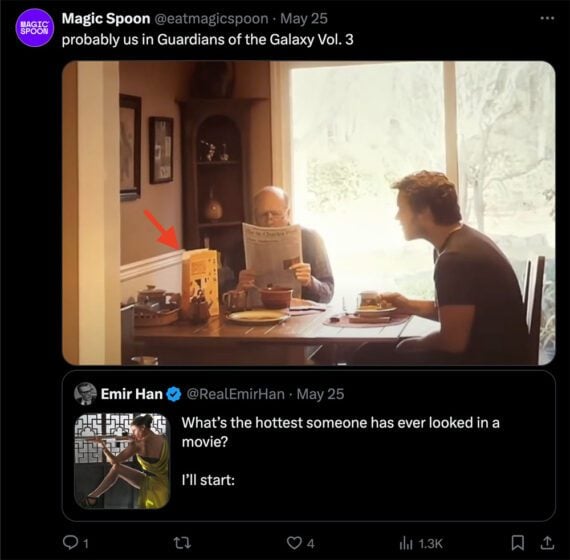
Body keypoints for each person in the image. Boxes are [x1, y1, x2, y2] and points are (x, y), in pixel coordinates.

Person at [353, 170, 529, 365]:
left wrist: (416, 343)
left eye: (401, 209)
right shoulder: (462, 241)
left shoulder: (454, 259)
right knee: (372, 351)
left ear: (424, 212)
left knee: (367, 357)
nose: (397, 217)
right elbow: (457, 313)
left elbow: (452, 342)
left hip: (488, 361)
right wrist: (407, 305)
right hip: (490, 353)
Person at [226, 186, 334, 303]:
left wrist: (310, 282)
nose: (269, 220)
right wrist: (239, 288)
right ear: (255, 216)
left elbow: (328, 294)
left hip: (301, 317)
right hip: (257, 316)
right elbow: (223, 297)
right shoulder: (239, 246)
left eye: (275, 214)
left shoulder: (311, 239)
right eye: (263, 214)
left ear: (288, 213)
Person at [81, 414, 169, 509]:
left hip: (154, 486)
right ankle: (93, 496)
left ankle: (92, 498)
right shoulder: (164, 438)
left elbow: (114, 461)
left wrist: (103, 446)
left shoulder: (138, 445)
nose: (133, 433)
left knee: (115, 466)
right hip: (165, 480)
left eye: (134, 430)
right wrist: (131, 442)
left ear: (143, 427)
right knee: (117, 469)